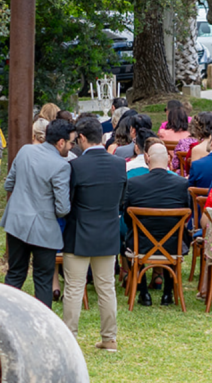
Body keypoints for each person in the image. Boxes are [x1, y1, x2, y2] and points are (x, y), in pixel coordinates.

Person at [61, 116, 125, 352]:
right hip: (108, 232)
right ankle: (110, 338)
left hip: (79, 233)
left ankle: (70, 339)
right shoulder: (119, 165)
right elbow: (121, 200)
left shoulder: (75, 166)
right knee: (106, 287)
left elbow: (67, 201)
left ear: (82, 138)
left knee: (74, 288)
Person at [1, 118, 72, 307]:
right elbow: (63, 208)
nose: (71, 148)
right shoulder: (61, 165)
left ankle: (4, 315)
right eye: (71, 143)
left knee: (15, 274)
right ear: (61, 142)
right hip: (44, 228)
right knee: (43, 279)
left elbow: (8, 184)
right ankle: (42, 326)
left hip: (16, 222)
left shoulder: (25, 151)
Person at [122, 142, 192, 307]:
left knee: (132, 238)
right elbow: (187, 214)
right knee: (170, 232)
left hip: (141, 244)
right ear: (169, 159)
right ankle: (167, 293)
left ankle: (144, 293)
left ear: (147, 158)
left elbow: (127, 217)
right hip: (174, 244)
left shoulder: (134, 184)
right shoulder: (181, 184)